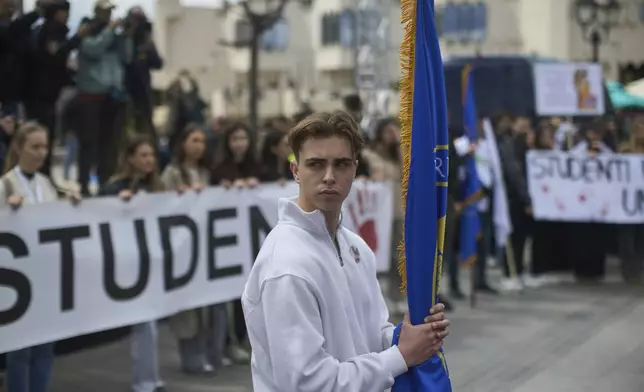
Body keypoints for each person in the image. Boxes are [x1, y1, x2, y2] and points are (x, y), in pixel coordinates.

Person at [242, 111, 450, 391]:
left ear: (354, 169)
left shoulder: (356, 246)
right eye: (315, 164)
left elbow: (374, 335)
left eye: (340, 164)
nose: (329, 177)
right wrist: (401, 355)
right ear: (296, 171)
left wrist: (416, 333)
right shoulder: (285, 265)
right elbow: (309, 384)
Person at [0, 122, 80, 392]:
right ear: (18, 148)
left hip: (46, 276)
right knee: (20, 349)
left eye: (44, 146)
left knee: (45, 344)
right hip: (17, 280)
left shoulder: (47, 184)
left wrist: (73, 207)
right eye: (34, 146)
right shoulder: (5, 185)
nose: (41, 153)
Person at [100, 135, 166, 392]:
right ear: (130, 158)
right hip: (129, 264)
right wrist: (118, 204)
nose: (149, 160)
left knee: (151, 324)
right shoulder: (115, 187)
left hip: (153, 261)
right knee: (144, 324)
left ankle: (151, 376)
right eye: (143, 156)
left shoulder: (157, 187)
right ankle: (144, 382)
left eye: (151, 155)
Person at [161, 124, 227, 375]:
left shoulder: (205, 171)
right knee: (187, 307)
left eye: (202, 141)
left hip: (205, 245)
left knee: (207, 305)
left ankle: (210, 352)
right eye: (193, 141)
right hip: (183, 246)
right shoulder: (172, 172)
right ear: (183, 144)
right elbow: (165, 204)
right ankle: (191, 356)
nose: (198, 146)